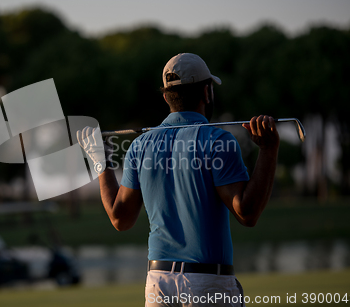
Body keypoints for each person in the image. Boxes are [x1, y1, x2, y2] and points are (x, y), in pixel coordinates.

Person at [77, 53, 279, 307]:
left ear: (166, 97)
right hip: (207, 283)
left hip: (157, 285)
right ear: (207, 92)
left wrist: (101, 162)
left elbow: (120, 219)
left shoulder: (139, 146)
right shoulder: (218, 141)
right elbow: (247, 213)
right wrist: (269, 151)